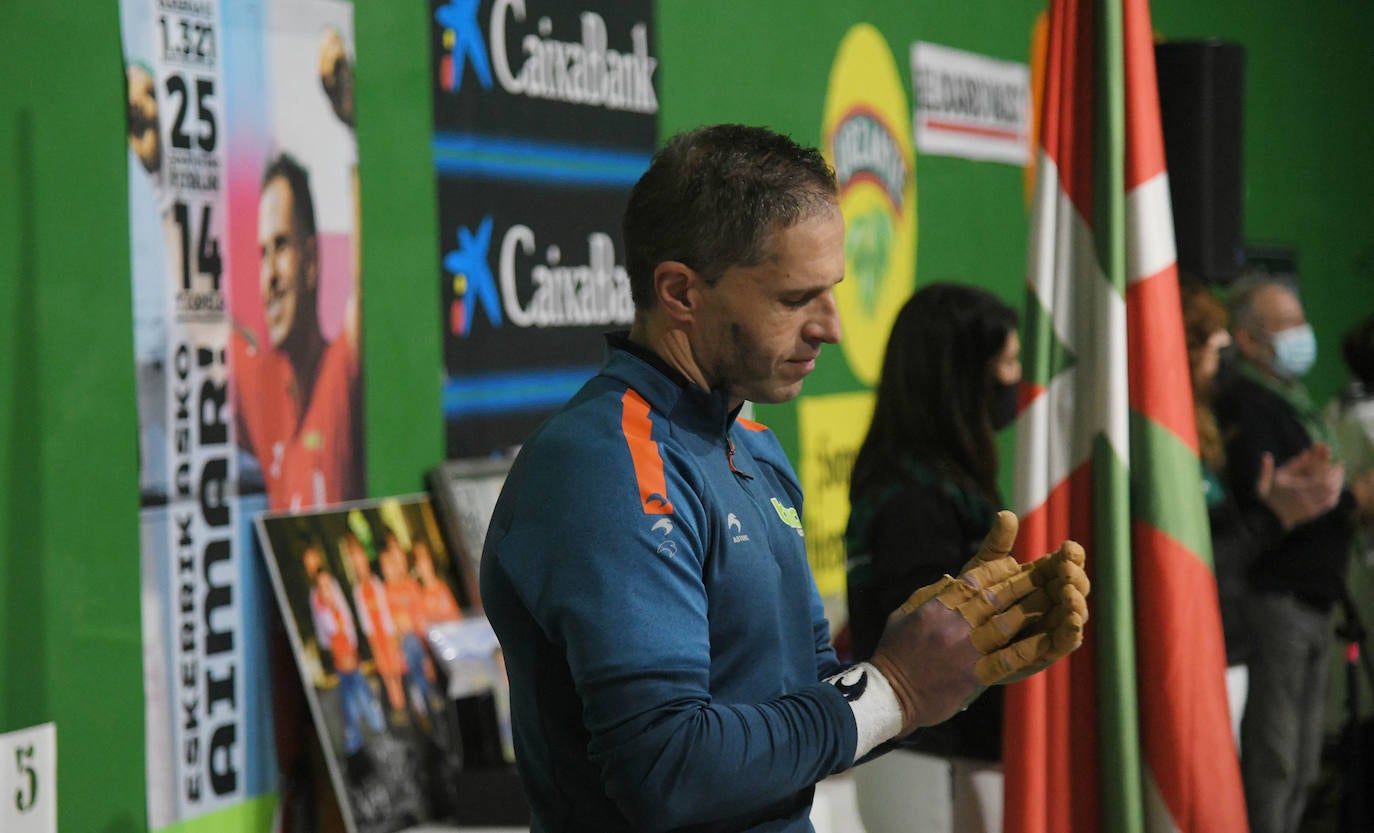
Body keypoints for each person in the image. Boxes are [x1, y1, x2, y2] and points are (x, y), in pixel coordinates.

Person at [478, 123, 1090, 833]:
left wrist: (949, 662)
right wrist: (896, 687)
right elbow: (666, 768)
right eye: (796, 297)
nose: (830, 326)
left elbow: (801, 719)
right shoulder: (603, 464)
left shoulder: (754, 447)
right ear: (680, 291)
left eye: (829, 290)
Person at [843, 283, 1021, 833]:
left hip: (948, 755)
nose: (1018, 380)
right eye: (1010, 362)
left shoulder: (938, 479)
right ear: (965, 376)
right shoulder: (914, 497)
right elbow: (929, 643)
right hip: (927, 759)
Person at [1213, 275, 1359, 833]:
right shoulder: (1243, 403)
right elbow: (1261, 496)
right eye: (1287, 325)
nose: (1302, 334)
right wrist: (1348, 495)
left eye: (1302, 321)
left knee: (1301, 764)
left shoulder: (1293, 402)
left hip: (1316, 599)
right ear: (1247, 340)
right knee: (1272, 763)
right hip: (1274, 601)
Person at [1179, 280, 1344, 747]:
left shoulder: (1211, 427)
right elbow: (1205, 550)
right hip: (1234, 622)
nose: (1224, 354)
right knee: (1272, 764)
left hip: (1235, 634)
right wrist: (1274, 513)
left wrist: (1281, 500)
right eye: (1214, 344)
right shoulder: (1234, 410)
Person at [232, 153, 363, 511]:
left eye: (282, 246)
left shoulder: (342, 371)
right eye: (263, 254)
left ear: (311, 261)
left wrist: (355, 132)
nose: (269, 277)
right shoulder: (263, 390)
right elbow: (199, 321)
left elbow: (364, 286)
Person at [304, 543, 385, 759]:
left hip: (348, 650)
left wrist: (351, 641)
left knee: (360, 687)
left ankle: (376, 725)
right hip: (338, 654)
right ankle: (355, 735)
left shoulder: (332, 592)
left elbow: (345, 616)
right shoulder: (317, 600)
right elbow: (324, 627)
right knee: (348, 694)